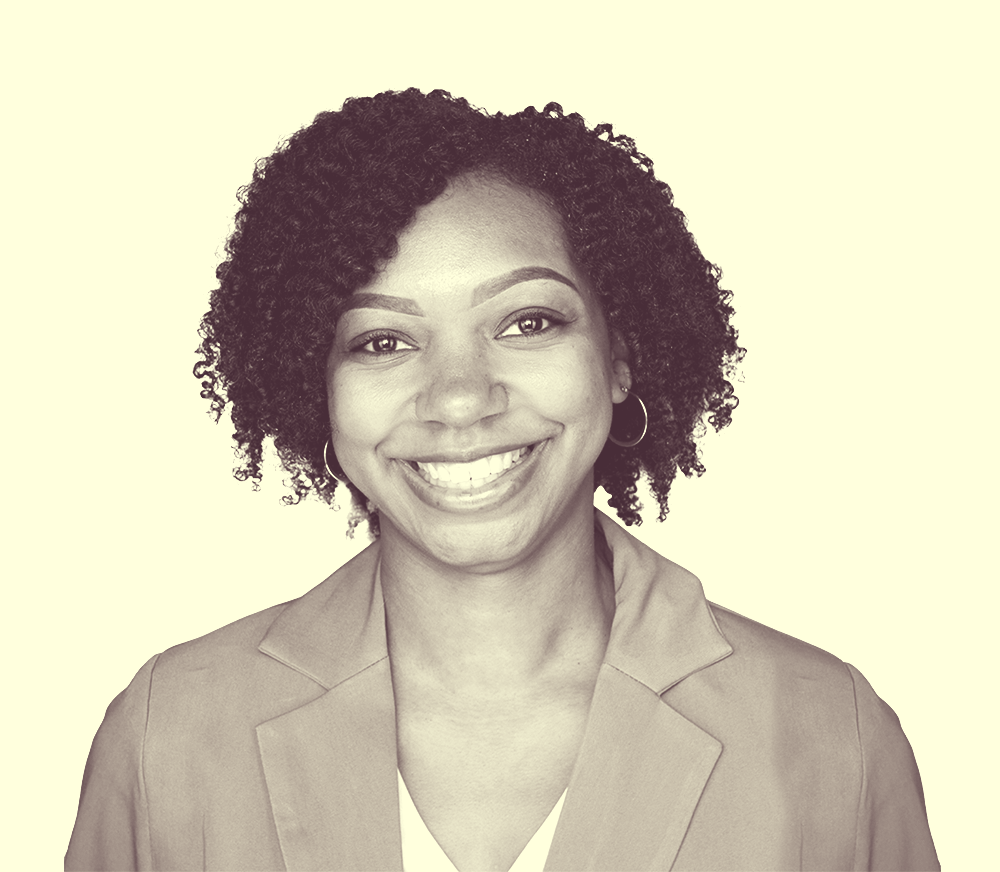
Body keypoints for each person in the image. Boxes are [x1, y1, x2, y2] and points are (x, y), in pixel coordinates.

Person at [65, 88, 939, 871]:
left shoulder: (829, 737)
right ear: (315, 389)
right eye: (382, 340)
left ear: (620, 356)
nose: (458, 399)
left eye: (526, 321)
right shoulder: (169, 736)